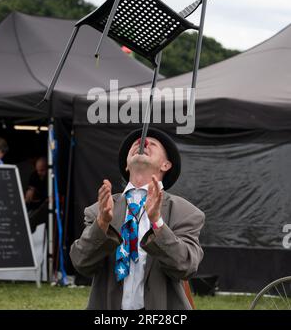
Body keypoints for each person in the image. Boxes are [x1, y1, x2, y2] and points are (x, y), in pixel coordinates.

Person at [70, 128, 205, 310]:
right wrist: (101, 224)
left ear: (165, 165)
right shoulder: (97, 211)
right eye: (136, 144)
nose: (144, 143)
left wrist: (157, 222)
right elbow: (81, 263)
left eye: (153, 144)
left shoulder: (185, 212)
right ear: (126, 165)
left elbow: (186, 266)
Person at [25, 157, 48, 232]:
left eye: (42, 170)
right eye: (37, 170)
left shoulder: (51, 178)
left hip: (45, 206)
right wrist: (30, 191)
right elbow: (30, 190)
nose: (39, 173)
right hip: (34, 206)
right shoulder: (34, 175)